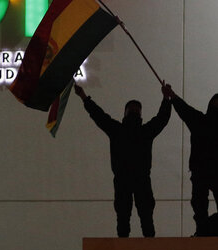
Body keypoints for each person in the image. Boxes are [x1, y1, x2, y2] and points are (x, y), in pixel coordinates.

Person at [74, 84, 172, 238]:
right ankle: (149, 249)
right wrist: (166, 98)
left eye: (135, 109)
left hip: (124, 179)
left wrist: (84, 97)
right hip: (138, 179)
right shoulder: (143, 132)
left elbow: (99, 116)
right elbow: (162, 119)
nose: (134, 110)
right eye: (132, 109)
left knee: (127, 218)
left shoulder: (118, 130)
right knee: (141, 218)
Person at [163, 85, 218, 236]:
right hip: (203, 172)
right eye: (216, 103)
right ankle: (204, 232)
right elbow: (185, 110)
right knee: (201, 206)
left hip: (216, 172)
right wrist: (173, 96)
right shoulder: (204, 121)